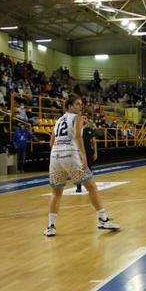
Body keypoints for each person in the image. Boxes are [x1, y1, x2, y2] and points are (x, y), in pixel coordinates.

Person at [44, 95, 120, 236]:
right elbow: (78, 137)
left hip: (55, 157)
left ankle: (51, 226)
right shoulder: (77, 118)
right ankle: (103, 220)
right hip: (70, 156)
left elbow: (51, 143)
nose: (81, 106)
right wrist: (84, 156)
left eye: (81, 104)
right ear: (69, 106)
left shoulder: (58, 120)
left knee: (56, 193)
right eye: (77, 104)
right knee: (92, 187)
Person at [76, 117, 98, 193]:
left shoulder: (90, 130)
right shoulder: (78, 130)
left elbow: (94, 142)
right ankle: (78, 187)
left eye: (86, 118)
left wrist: (95, 152)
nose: (85, 119)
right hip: (79, 152)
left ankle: (89, 186)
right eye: (83, 118)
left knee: (89, 169)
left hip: (88, 152)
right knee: (79, 169)